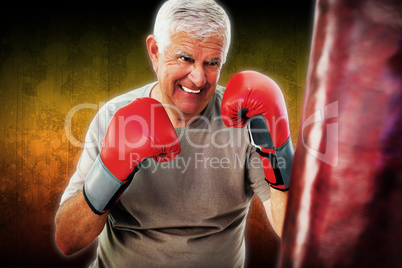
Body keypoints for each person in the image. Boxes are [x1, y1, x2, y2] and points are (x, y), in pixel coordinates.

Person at [55, 0, 293, 267]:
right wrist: (110, 172)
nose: (199, 78)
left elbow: (294, 234)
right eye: (185, 58)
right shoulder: (114, 116)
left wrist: (279, 151)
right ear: (155, 52)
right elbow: (68, 241)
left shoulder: (245, 121)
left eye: (212, 62)